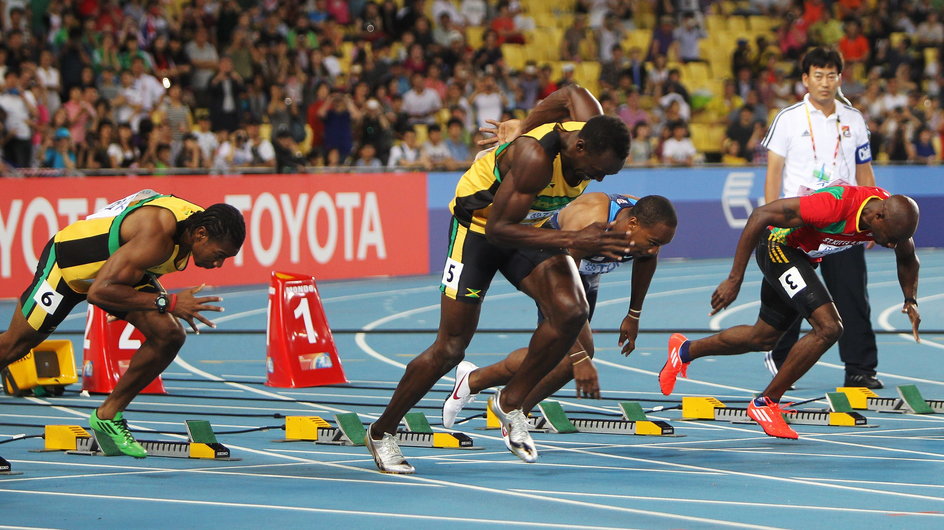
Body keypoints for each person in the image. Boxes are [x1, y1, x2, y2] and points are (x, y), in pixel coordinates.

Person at [365, 85, 632, 474]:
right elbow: (498, 232)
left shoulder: (587, 120)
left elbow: (572, 90)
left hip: (530, 226)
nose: (599, 180)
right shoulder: (535, 158)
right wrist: (574, 237)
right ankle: (382, 431)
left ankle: (511, 402)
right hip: (480, 228)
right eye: (596, 171)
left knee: (572, 311)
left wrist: (523, 124)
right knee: (450, 348)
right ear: (578, 148)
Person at [658, 185, 920, 439]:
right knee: (829, 327)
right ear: (878, 216)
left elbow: (908, 258)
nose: (893, 244)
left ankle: (684, 351)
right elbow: (760, 214)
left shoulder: (893, 219)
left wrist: (911, 299)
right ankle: (766, 403)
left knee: (762, 338)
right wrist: (735, 278)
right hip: (778, 246)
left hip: (803, 257)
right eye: (892, 239)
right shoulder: (834, 206)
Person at [0, 191, 245, 457]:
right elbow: (98, 292)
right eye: (219, 254)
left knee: (169, 335)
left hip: (118, 273)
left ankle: (108, 414)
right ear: (201, 235)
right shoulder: (157, 237)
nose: (219, 264)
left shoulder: (195, 221)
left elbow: (142, 198)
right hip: (68, 269)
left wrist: (134, 300)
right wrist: (168, 303)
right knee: (14, 346)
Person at [442, 193, 677, 426]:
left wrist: (633, 314)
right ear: (632, 224)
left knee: (553, 355)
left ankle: (477, 383)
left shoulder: (647, 223)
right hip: (552, 264)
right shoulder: (588, 220)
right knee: (572, 357)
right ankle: (513, 412)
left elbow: (646, 260)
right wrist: (578, 355)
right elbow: (560, 297)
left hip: (587, 275)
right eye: (654, 243)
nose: (654, 250)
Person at [761, 47, 882, 389]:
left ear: (839, 78)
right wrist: (774, 217)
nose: (825, 82)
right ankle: (783, 362)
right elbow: (774, 172)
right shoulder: (788, 118)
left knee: (851, 295)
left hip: (843, 222)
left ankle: (860, 368)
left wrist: (870, 222)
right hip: (798, 220)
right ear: (805, 79)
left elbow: (864, 170)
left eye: (831, 75)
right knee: (795, 294)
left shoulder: (853, 119)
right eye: (818, 75)